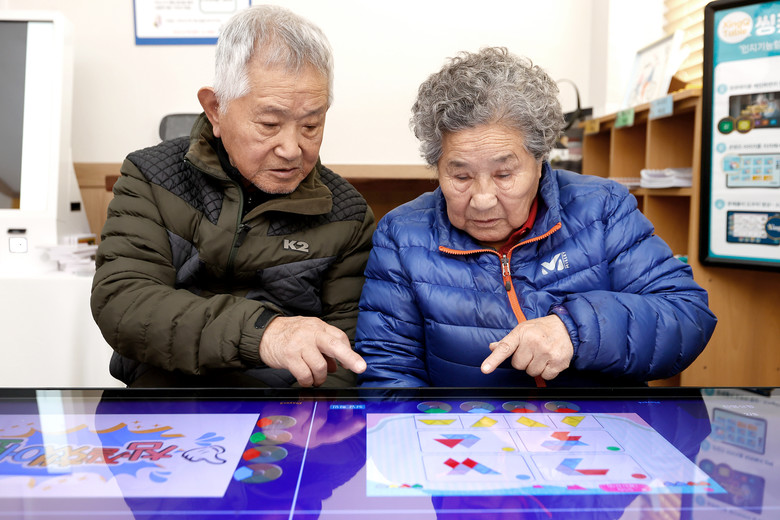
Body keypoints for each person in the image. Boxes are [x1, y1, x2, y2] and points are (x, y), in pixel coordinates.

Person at [355, 47, 716, 387]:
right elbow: (390, 374)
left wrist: (574, 330)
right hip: (467, 428)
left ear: (540, 160)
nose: (482, 200)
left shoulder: (601, 208)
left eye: (504, 174)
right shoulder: (403, 235)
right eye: (461, 176)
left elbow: (687, 315)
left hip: (596, 427)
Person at [91, 5, 375, 388]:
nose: (292, 149)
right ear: (216, 109)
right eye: (269, 124)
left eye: (311, 125)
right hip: (164, 397)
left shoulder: (348, 216)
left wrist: (296, 419)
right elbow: (124, 303)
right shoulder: (152, 176)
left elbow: (347, 357)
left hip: (284, 408)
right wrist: (264, 333)